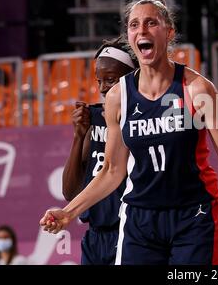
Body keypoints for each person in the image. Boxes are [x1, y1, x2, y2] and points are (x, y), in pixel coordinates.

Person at [41, 0, 218, 265]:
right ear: (129, 36)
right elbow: (111, 171)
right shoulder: (119, 97)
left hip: (194, 215)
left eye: (151, 23)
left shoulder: (197, 89)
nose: (141, 30)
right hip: (141, 218)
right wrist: (68, 213)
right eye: (134, 25)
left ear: (169, 31)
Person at [61, 36, 137, 265]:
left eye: (111, 80)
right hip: (95, 237)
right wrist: (78, 136)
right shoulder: (94, 121)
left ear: (132, 78)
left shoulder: (143, 122)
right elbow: (70, 193)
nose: (103, 88)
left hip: (130, 232)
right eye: (99, 81)